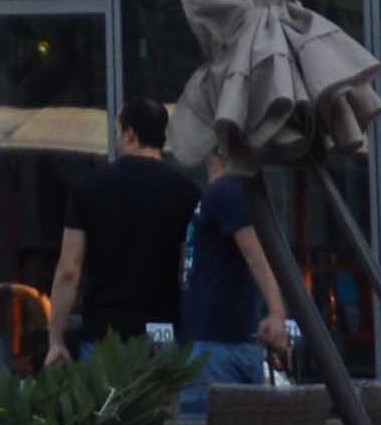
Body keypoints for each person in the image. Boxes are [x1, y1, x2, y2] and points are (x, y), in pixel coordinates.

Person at [46, 105, 196, 357]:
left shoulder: (88, 187)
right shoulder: (187, 193)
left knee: (106, 398)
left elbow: (69, 270)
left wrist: (55, 339)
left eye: (116, 132)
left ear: (129, 134)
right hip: (161, 335)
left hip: (104, 337)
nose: (115, 140)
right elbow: (187, 271)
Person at [179, 161, 295, 387]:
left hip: (214, 342)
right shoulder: (228, 191)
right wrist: (277, 312)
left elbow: (254, 255)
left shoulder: (220, 192)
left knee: (207, 419)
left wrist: (276, 312)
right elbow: (254, 255)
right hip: (222, 342)